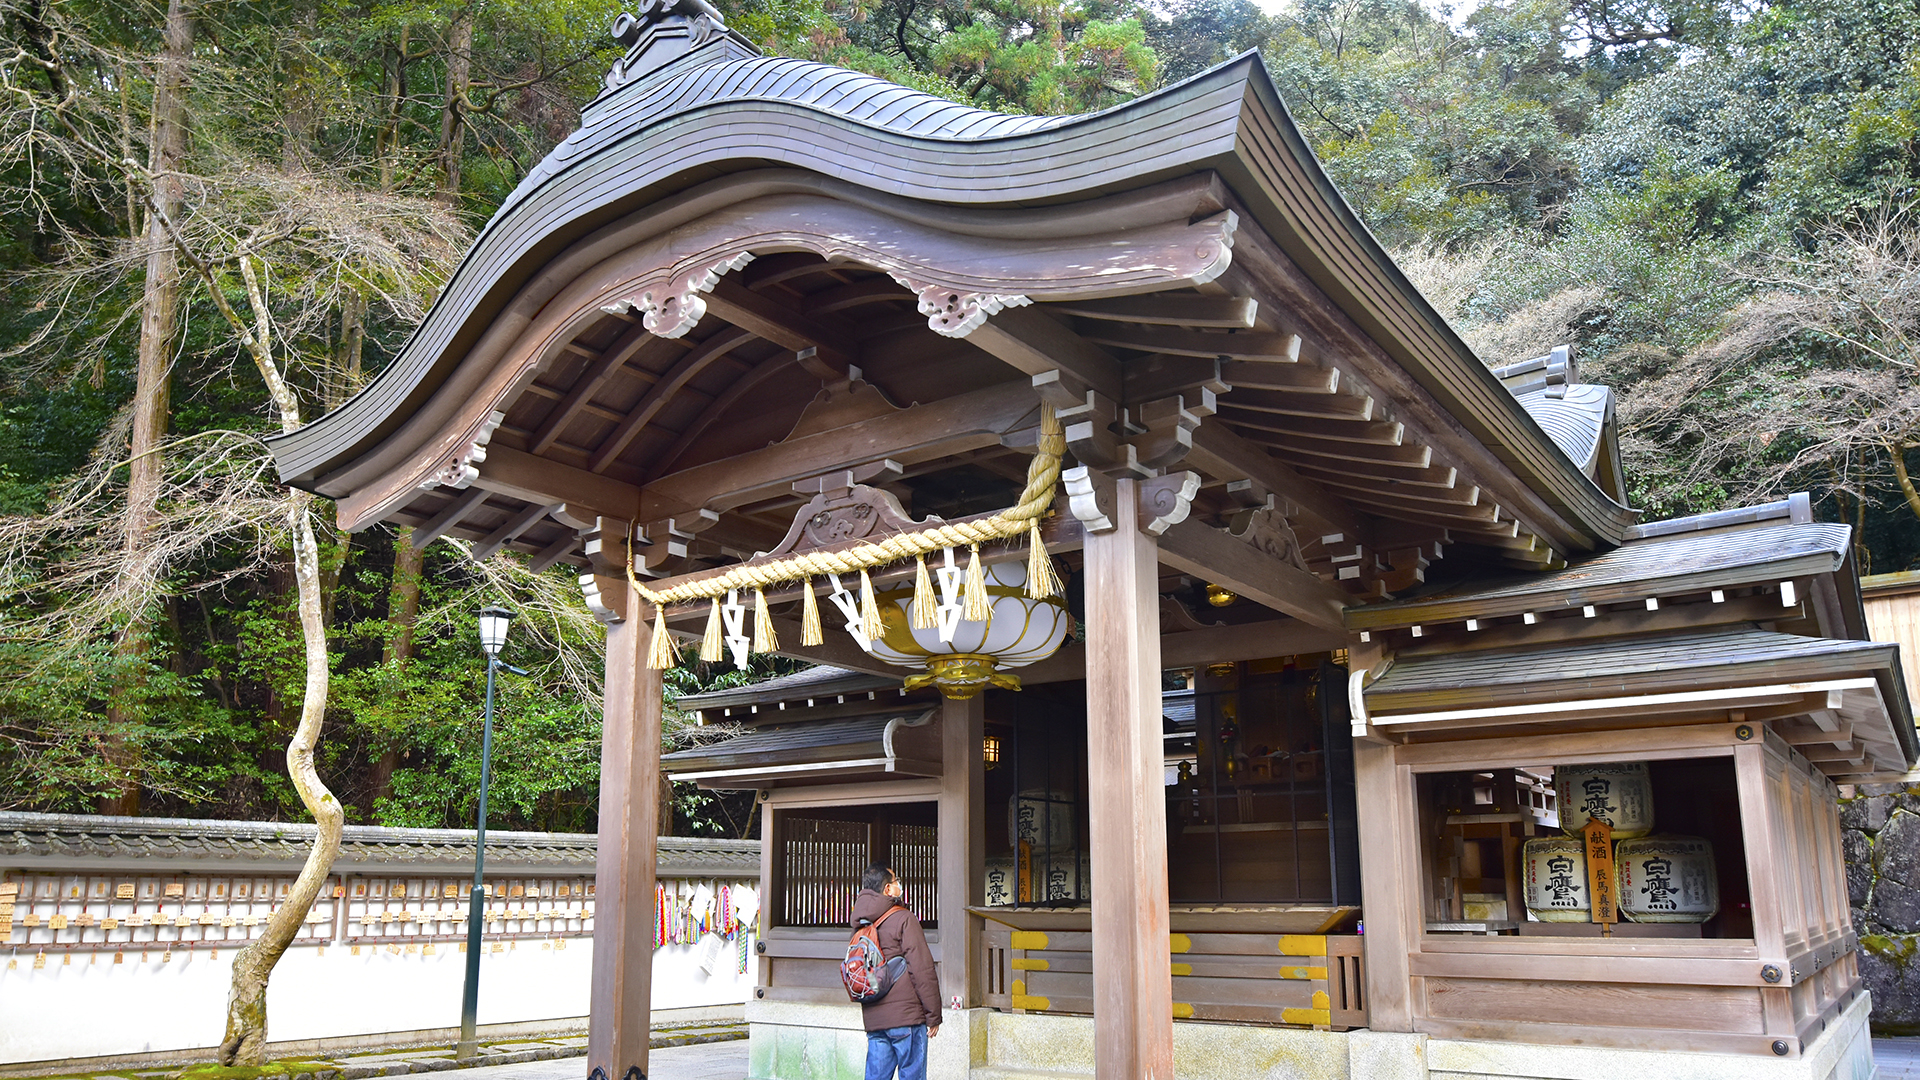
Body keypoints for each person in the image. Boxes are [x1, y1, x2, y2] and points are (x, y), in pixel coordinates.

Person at [851, 863, 942, 1080]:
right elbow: (921, 969)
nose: (899, 884)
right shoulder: (904, 918)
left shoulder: (861, 923)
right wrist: (934, 1014)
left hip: (875, 1018)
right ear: (888, 890)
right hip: (907, 1017)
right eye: (896, 880)